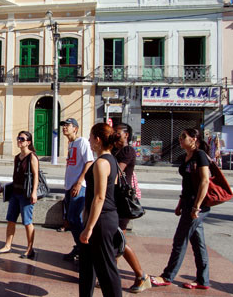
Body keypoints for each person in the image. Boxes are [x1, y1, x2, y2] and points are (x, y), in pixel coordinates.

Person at [151, 128, 211, 290]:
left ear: (194, 139)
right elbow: (187, 185)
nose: (180, 139)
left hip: (197, 205)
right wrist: (180, 204)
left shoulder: (200, 155)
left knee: (180, 240)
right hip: (187, 203)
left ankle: (167, 276)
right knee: (198, 243)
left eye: (183, 137)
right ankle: (203, 280)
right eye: (180, 136)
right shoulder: (186, 157)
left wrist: (196, 207)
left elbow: (205, 182)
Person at [79, 123, 122, 297]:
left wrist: (89, 227)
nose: (89, 141)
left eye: (90, 137)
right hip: (101, 217)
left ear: (97, 139)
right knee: (87, 266)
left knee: (106, 269)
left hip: (101, 221)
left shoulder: (102, 163)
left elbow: (100, 197)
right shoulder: (112, 160)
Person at [112, 123, 151, 293]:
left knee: (119, 240)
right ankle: (111, 275)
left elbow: (115, 171)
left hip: (122, 202)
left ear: (126, 135)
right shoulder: (114, 150)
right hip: (114, 199)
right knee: (113, 241)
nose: (115, 136)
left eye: (118, 134)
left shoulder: (127, 151)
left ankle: (141, 275)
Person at [0, 131, 38, 259]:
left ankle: (30, 249)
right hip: (15, 193)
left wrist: (34, 192)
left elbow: (35, 176)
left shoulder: (32, 157)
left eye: (22, 139)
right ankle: (7, 245)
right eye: (18, 138)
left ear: (28, 142)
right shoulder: (17, 157)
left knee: (27, 222)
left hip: (26, 194)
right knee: (11, 220)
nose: (19, 141)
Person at [60, 118, 94, 261]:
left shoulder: (82, 142)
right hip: (70, 186)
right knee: (70, 219)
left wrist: (79, 182)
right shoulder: (71, 143)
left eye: (67, 125)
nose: (64, 128)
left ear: (75, 128)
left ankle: (85, 250)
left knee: (75, 218)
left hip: (79, 187)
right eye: (63, 126)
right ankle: (80, 247)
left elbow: (89, 162)